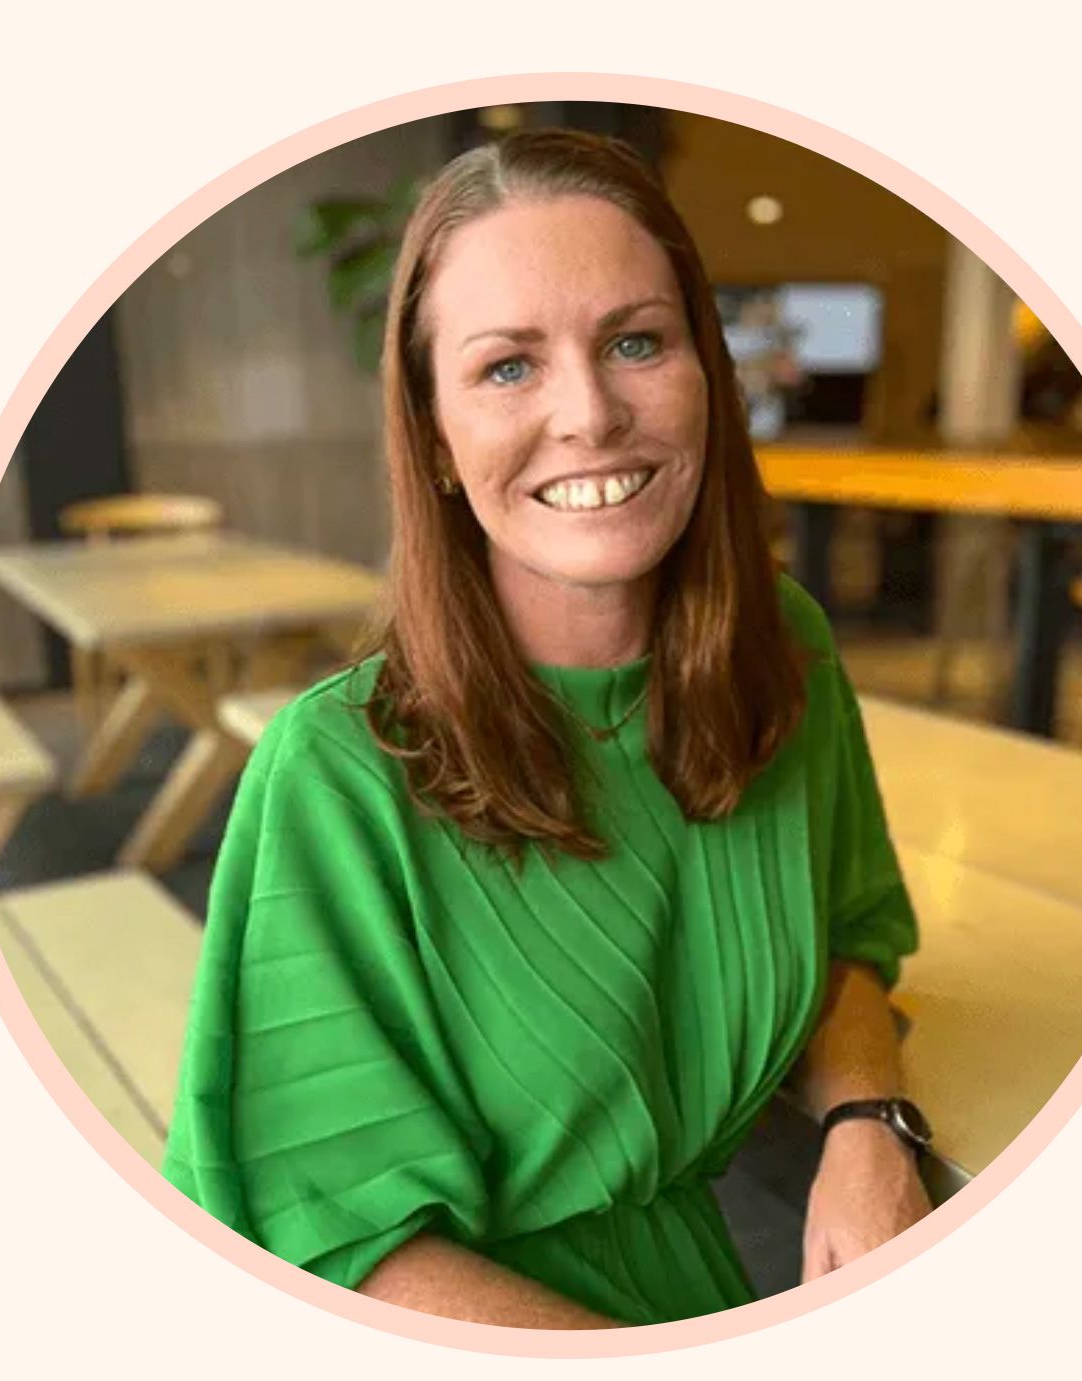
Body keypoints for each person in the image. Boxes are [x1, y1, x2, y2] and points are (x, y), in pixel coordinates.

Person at [162, 128, 932, 1329]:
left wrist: (867, 1120)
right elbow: (327, 1246)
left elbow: (845, 935)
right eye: (507, 367)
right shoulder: (337, 771)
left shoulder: (780, 653)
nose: (589, 414)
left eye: (636, 342)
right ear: (430, 432)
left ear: (707, 374)